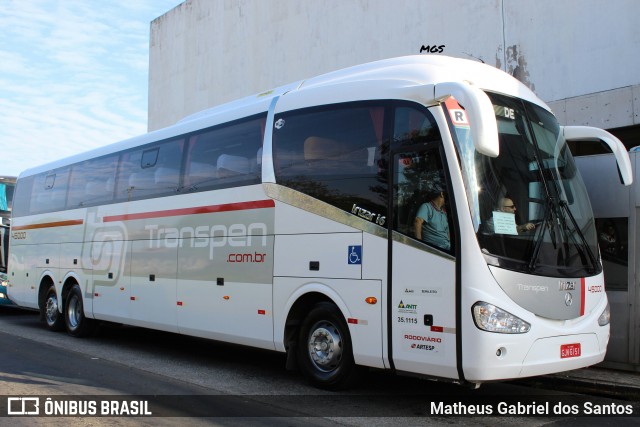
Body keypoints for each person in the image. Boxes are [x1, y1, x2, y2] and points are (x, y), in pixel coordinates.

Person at [414, 176, 450, 251]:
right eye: (446, 195)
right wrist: (419, 245)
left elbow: (447, 233)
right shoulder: (427, 207)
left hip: (447, 247)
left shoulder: (443, 213)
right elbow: (418, 222)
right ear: (442, 194)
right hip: (435, 249)